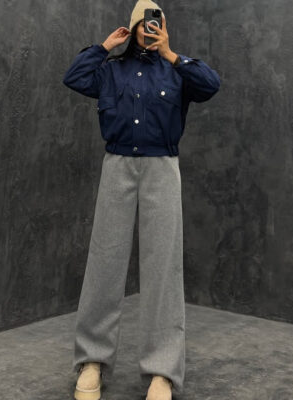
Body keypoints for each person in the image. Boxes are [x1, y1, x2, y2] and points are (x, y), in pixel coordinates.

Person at [62, 0, 221, 399]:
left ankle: (162, 371)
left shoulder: (176, 69)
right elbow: (74, 76)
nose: (150, 30)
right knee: (104, 261)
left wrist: (171, 53)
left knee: (163, 267)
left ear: (164, 27)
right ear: (132, 28)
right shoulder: (110, 69)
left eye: (157, 24)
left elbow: (211, 85)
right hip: (117, 165)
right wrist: (103, 47)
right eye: (144, 25)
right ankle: (92, 361)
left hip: (162, 168)